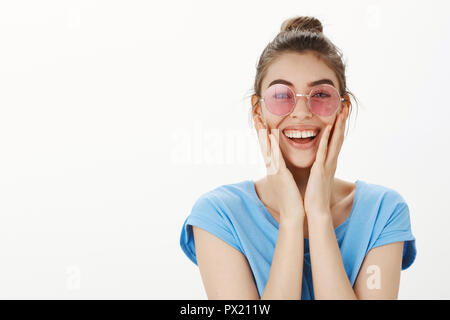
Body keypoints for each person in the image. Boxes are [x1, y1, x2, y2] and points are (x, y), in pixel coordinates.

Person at [179, 15, 416, 300]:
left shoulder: (383, 212)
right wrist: (292, 217)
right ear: (258, 111)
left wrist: (318, 213)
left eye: (320, 94)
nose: (302, 112)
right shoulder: (218, 216)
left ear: (343, 110)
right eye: (282, 95)